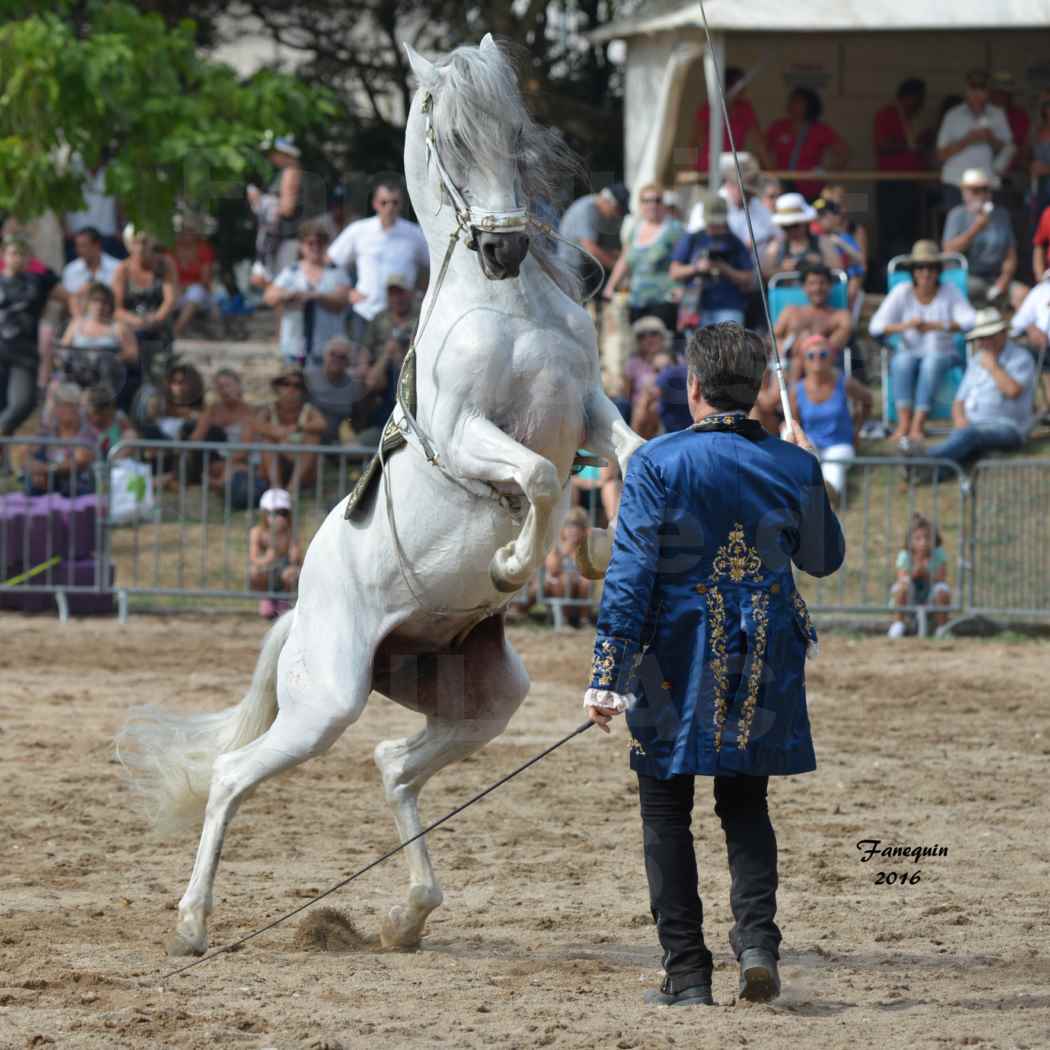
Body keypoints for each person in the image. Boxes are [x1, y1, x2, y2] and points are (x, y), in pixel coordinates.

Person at [583, 322, 844, 1008]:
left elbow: (632, 575)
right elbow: (822, 559)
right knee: (745, 802)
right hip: (761, 656)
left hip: (671, 658)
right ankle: (757, 942)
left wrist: (606, 672)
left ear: (693, 388)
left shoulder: (658, 462)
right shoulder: (793, 464)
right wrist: (810, 472)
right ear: (759, 390)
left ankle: (687, 973)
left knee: (666, 807)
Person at [869, 240, 977, 446]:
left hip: (944, 353)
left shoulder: (950, 290)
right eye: (920, 267)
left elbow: (970, 320)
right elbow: (875, 326)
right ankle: (903, 424)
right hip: (910, 351)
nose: (925, 273)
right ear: (913, 271)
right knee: (901, 361)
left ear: (938, 271)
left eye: (930, 267)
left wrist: (938, 326)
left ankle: (918, 424)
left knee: (932, 362)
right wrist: (905, 326)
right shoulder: (902, 291)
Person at [926, 308, 1035, 470]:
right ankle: (933, 471)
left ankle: (923, 461)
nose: (984, 342)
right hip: (971, 426)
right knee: (966, 442)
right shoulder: (976, 360)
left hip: (1008, 427)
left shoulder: (1021, 358)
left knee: (968, 437)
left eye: (989, 336)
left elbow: (1013, 391)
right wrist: (960, 421)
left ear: (1003, 333)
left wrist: (993, 367)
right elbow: (959, 401)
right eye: (980, 338)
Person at [328, 180, 429, 341]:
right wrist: (347, 291)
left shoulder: (414, 234)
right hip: (365, 311)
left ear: (401, 205)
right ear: (375, 204)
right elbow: (331, 262)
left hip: (402, 317)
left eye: (394, 202)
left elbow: (433, 265)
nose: (389, 207)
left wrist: (421, 293)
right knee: (361, 362)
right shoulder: (359, 230)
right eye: (384, 202)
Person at [789, 334, 872, 503]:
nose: (817, 359)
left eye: (823, 355)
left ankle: (825, 498)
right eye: (811, 355)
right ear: (804, 360)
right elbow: (794, 423)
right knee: (790, 438)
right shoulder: (796, 390)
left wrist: (857, 429)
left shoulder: (844, 382)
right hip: (811, 442)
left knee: (833, 474)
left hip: (839, 443)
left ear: (831, 358)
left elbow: (867, 400)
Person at [265, 220, 351, 368]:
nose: (315, 247)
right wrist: (289, 295)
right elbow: (269, 297)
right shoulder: (291, 272)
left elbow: (342, 301)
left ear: (325, 245)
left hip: (328, 352)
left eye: (319, 243)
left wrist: (317, 296)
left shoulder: (336, 272)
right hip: (294, 348)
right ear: (301, 245)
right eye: (310, 243)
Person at [0, 235, 60, 437]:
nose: (17, 258)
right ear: (4, 256)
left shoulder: (38, 281)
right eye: (13, 253)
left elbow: (69, 296)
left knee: (23, 403)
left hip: (24, 355)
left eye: (22, 254)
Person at [602, 182, 683, 331]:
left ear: (663, 203)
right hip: (637, 302)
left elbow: (685, 260)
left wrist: (681, 288)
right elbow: (624, 260)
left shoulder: (674, 229)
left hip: (663, 300)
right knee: (638, 349)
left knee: (660, 349)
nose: (652, 205)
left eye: (657, 200)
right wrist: (610, 287)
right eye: (646, 201)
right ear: (640, 204)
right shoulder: (636, 229)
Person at [942, 168, 1026, 308]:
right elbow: (949, 251)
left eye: (985, 190)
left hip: (996, 277)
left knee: (1023, 294)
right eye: (975, 190)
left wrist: (1004, 279)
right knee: (972, 291)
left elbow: (1010, 253)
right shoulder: (957, 215)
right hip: (967, 277)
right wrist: (976, 228)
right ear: (965, 193)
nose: (982, 195)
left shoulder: (1001, 215)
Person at [670, 196, 753, 330]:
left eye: (718, 222)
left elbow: (749, 277)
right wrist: (697, 267)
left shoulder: (734, 242)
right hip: (695, 306)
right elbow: (674, 272)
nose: (715, 226)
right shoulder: (693, 239)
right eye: (712, 222)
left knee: (729, 347)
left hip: (728, 306)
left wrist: (724, 269)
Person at [189, 368, 267, 509]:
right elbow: (195, 439)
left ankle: (220, 484)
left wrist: (229, 462)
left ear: (238, 386)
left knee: (232, 468)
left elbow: (245, 450)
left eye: (228, 385)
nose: (224, 391)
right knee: (215, 465)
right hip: (222, 459)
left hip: (246, 459)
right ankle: (218, 482)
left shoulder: (252, 412)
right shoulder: (213, 410)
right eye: (220, 387)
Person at [935, 70, 1013, 211]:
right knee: (958, 227)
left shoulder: (998, 114)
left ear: (988, 92)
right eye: (973, 89)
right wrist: (966, 141)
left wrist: (991, 138)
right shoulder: (952, 116)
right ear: (967, 91)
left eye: (981, 89)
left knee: (988, 227)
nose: (977, 94)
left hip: (987, 183)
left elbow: (1009, 149)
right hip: (956, 182)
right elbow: (941, 154)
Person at [112, 225, 177, 391]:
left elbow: (169, 301)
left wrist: (155, 320)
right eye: (136, 243)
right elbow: (116, 308)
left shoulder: (165, 264)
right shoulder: (122, 269)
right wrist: (136, 321)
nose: (140, 247)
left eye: (144, 242)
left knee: (159, 372)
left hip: (159, 327)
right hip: (132, 328)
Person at [874, 79, 930, 265]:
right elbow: (883, 144)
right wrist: (911, 145)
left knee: (909, 233)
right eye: (919, 99)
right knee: (891, 233)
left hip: (911, 184)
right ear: (908, 97)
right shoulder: (887, 115)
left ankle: (907, 270)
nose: (920, 105)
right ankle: (888, 274)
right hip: (892, 184)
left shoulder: (910, 119)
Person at [54, 282, 138, 406]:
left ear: (110, 305)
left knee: (104, 367)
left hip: (107, 375)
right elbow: (62, 351)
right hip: (79, 372)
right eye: (95, 301)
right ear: (88, 303)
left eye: (104, 302)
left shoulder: (118, 327)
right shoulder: (76, 325)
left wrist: (111, 358)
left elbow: (133, 354)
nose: (99, 306)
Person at [764, 87, 850, 200]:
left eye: (798, 102)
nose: (792, 104)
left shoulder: (820, 129)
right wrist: (771, 172)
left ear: (809, 106)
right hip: (782, 187)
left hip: (810, 189)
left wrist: (825, 172)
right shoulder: (778, 126)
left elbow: (844, 152)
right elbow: (762, 150)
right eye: (792, 100)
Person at [773, 263, 852, 378]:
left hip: (823, 370)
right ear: (804, 287)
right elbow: (774, 338)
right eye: (812, 283)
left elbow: (833, 347)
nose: (817, 288)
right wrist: (786, 347)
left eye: (822, 283)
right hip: (787, 367)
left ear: (830, 286)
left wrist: (807, 344)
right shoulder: (790, 312)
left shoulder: (840, 316)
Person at [255, 365, 326, 491]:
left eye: (297, 385)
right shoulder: (269, 409)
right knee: (267, 441)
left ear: (302, 390)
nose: (291, 389)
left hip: (302, 468)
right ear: (277, 387)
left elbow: (321, 424)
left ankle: (292, 488)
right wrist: (278, 432)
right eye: (286, 383)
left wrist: (299, 427)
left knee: (313, 437)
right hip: (275, 465)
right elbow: (257, 425)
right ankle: (276, 489)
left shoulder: (308, 410)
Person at [557, 183, 630, 298]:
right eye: (618, 211)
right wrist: (617, 267)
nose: (617, 215)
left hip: (581, 270)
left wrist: (615, 256)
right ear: (608, 201)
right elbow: (590, 249)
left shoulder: (593, 208)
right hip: (572, 271)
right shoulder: (587, 210)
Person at [24, 382, 96, 496]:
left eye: (70, 405)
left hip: (76, 485)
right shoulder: (47, 430)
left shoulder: (87, 432)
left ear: (78, 407)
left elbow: (79, 462)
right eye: (60, 405)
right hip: (48, 481)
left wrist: (47, 470)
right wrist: (35, 471)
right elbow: (28, 456)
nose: (65, 410)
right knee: (34, 480)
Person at [247, 135, 303, 280]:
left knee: (280, 282)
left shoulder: (291, 172)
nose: (272, 157)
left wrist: (264, 203)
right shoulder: (286, 172)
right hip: (280, 238)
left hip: (285, 239)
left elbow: (287, 208)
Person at [693, 67, 769, 172]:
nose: (744, 89)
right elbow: (695, 141)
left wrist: (771, 170)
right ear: (728, 86)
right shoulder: (708, 108)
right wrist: (686, 169)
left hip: (732, 170)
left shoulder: (745, 109)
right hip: (707, 169)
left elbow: (759, 143)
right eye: (740, 85)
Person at [888, 513, 951, 639]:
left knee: (942, 590)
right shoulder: (905, 555)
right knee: (901, 587)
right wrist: (915, 572)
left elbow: (942, 576)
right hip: (911, 595)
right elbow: (902, 576)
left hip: (931, 593)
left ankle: (942, 627)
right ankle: (899, 623)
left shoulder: (938, 553)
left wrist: (927, 573)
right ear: (910, 540)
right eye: (918, 538)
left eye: (927, 538)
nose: (923, 542)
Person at [249, 487, 303, 620]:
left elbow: (297, 559)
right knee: (254, 572)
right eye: (273, 513)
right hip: (267, 570)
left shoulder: (290, 533)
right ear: (264, 514)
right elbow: (254, 557)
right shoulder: (257, 532)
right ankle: (267, 598)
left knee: (291, 573)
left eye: (282, 513)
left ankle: (283, 600)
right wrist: (266, 558)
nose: (278, 517)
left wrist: (294, 555)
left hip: (284, 569)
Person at [306, 336, 371, 444]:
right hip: (311, 438)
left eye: (342, 357)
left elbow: (358, 418)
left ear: (348, 361)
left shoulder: (354, 386)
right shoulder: (308, 377)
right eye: (333, 354)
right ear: (324, 355)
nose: (336, 359)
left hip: (340, 443)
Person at [762, 193, 838, 277]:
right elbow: (765, 273)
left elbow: (837, 268)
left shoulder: (821, 241)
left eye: (795, 225)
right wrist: (783, 269)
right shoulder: (776, 245)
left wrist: (819, 263)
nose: (792, 230)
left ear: (805, 223)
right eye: (786, 227)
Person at [542, 506, 593, 628]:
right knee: (564, 579)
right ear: (562, 529)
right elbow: (552, 569)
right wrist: (565, 551)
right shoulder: (556, 546)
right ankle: (563, 620)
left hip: (577, 587)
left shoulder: (586, 548)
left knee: (586, 581)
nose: (573, 530)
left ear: (585, 530)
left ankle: (583, 620)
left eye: (578, 526)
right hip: (556, 586)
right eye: (569, 526)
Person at [812, 193, 865, 310]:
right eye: (817, 215)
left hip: (839, 288)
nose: (818, 219)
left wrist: (840, 243)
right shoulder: (811, 236)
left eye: (824, 215)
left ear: (836, 217)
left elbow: (860, 261)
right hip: (816, 288)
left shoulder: (842, 237)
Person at [1008, 274, 1050, 421]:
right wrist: (1032, 329)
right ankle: (1028, 409)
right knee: (1017, 352)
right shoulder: (1042, 290)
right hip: (1043, 348)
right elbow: (1018, 321)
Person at [63, 160, 123, 261]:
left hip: (107, 233)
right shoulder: (72, 164)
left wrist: (120, 228)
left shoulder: (113, 168)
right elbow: (61, 199)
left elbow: (120, 200)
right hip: (77, 234)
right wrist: (65, 229)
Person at [172, 218, 219, 338]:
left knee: (196, 291)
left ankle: (177, 329)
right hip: (177, 291)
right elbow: (170, 275)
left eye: (191, 231)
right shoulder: (173, 248)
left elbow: (204, 280)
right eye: (185, 230)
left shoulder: (204, 250)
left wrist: (185, 286)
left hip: (199, 293)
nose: (188, 234)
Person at [61, 226, 120, 318]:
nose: (79, 250)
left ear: (97, 245)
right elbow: (67, 303)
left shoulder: (117, 267)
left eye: (83, 246)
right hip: (80, 322)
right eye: (77, 246)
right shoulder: (70, 270)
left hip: (111, 320)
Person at [363, 272, 421, 364]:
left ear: (409, 294)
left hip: (411, 365)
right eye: (392, 293)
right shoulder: (379, 318)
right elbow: (366, 348)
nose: (397, 298)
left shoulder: (419, 318)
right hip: (381, 368)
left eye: (400, 293)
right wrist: (364, 366)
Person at [988, 71, 1029, 175]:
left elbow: (1023, 145)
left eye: (1004, 93)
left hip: (1013, 171)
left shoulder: (1020, 116)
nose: (1000, 97)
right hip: (983, 169)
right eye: (997, 92)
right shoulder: (981, 115)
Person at [1029, 91, 1050, 219]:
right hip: (1038, 187)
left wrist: (1047, 169)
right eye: (1047, 105)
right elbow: (1026, 156)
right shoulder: (1036, 130)